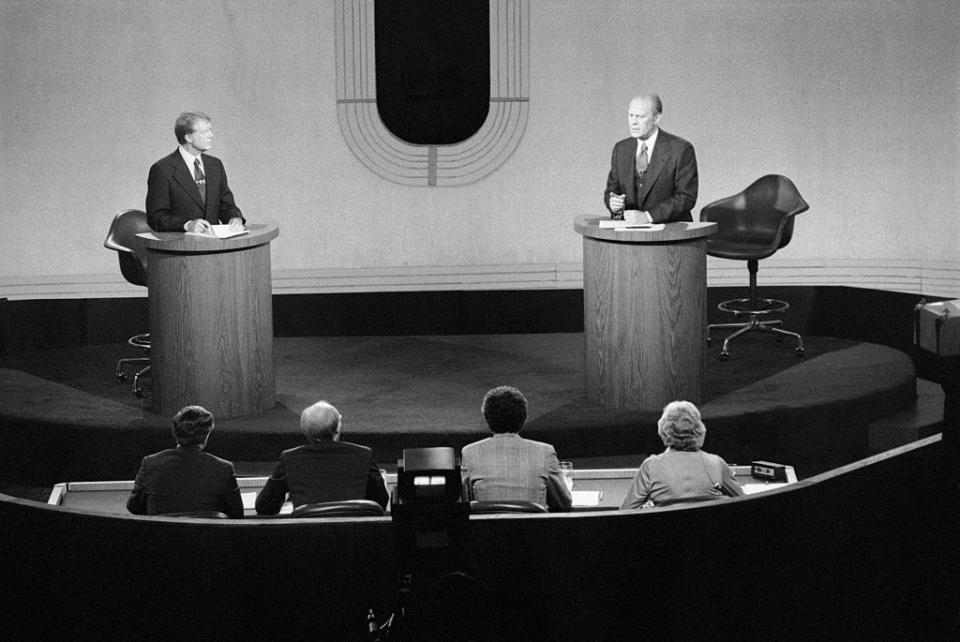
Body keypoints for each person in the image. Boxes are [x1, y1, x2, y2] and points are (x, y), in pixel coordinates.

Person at [255, 401, 389, 515]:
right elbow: (380, 502)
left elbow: (265, 507)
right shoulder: (364, 455)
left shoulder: (290, 458)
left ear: (305, 431)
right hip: (356, 539)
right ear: (337, 428)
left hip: (307, 539)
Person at [460, 386, 573, 511]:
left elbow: (463, 501)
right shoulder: (545, 452)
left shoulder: (470, 453)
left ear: (486, 417)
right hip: (534, 530)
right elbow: (564, 504)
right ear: (524, 417)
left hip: (486, 530)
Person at [620, 400, 744, 509]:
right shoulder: (716, 463)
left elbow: (625, 513)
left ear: (663, 431)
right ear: (699, 430)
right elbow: (747, 503)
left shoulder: (650, 466)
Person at [127, 405, 244, 518]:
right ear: (207, 435)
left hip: (161, 537)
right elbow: (236, 514)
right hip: (209, 537)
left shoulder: (150, 464)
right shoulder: (224, 469)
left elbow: (134, 507)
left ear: (175, 432)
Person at [603, 93, 698, 224]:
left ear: (657, 118)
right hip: (630, 235)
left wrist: (648, 217)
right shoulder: (621, 149)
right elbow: (612, 190)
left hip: (670, 233)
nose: (634, 122)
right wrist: (614, 203)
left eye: (640, 117)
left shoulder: (681, 149)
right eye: (631, 116)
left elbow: (686, 197)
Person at [146, 111, 245, 234]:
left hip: (215, 247)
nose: (211, 135)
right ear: (188, 137)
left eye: (210, 130)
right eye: (205, 132)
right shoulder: (162, 169)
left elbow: (226, 205)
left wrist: (235, 218)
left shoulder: (215, 165)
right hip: (182, 247)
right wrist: (187, 225)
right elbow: (156, 217)